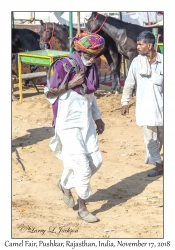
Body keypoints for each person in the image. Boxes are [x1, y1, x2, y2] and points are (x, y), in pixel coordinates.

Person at [44, 32, 105, 222]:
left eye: (95, 55)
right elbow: (49, 93)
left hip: (85, 124)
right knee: (83, 167)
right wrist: (69, 84)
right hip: (68, 124)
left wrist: (98, 118)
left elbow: (90, 95)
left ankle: (64, 184)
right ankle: (83, 208)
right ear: (80, 50)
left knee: (96, 161)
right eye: (89, 55)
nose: (92, 58)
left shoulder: (92, 67)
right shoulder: (64, 66)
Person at [121, 31, 163, 177]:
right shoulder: (136, 62)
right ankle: (158, 166)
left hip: (163, 109)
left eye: (140, 44)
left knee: (163, 139)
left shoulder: (164, 61)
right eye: (137, 44)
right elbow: (129, 84)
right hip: (145, 109)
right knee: (150, 139)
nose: (137, 47)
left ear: (149, 45)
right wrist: (125, 102)